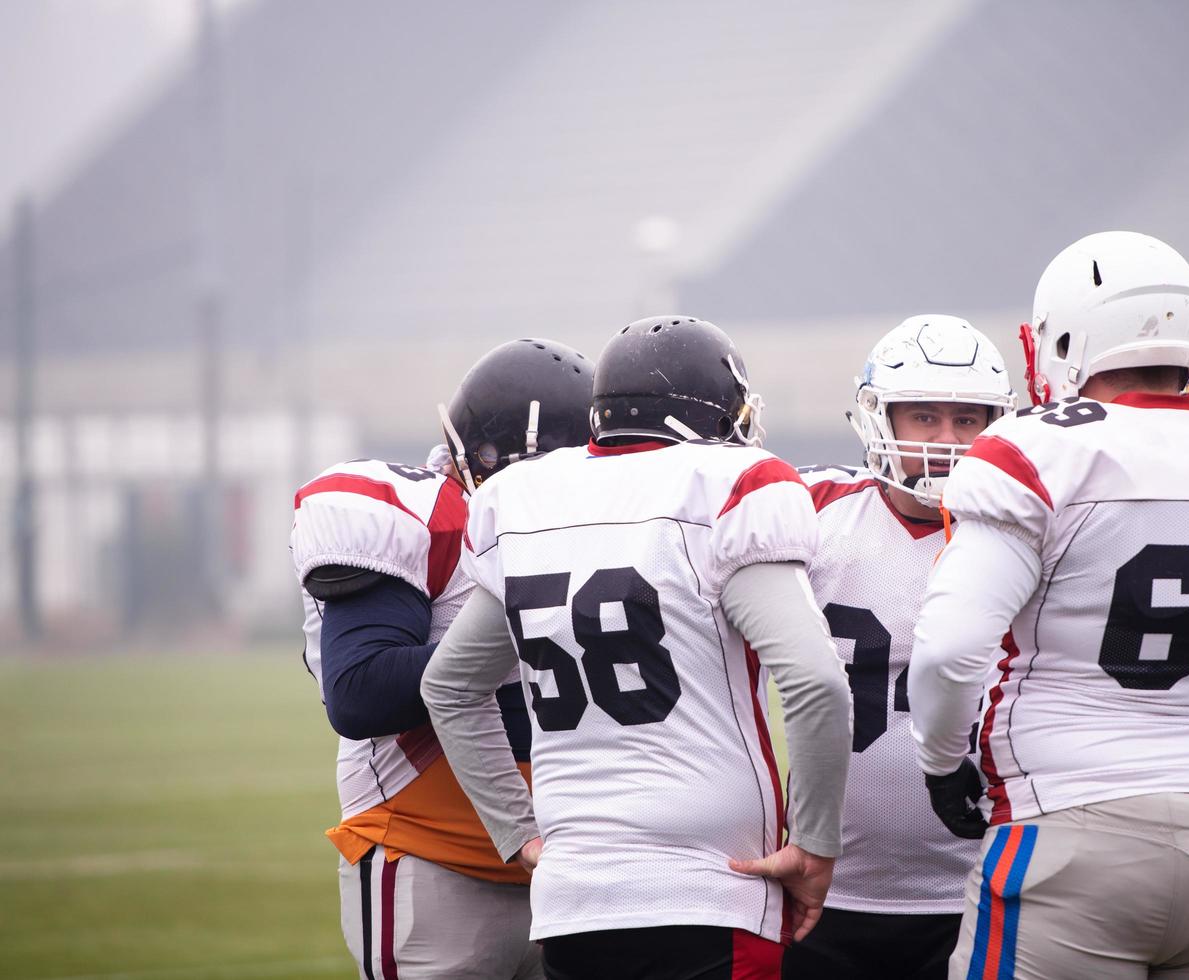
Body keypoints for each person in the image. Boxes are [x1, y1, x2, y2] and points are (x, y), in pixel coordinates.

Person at [909, 231, 1189, 979]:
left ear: (1067, 339)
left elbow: (949, 649)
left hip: (1079, 829)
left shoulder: (1038, 450)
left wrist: (944, 763)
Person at [420, 315, 853, 980]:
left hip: (574, 903)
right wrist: (816, 844)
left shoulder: (525, 496)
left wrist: (517, 833)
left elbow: (448, 685)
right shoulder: (724, 488)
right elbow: (815, 680)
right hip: (710, 890)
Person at [290, 338, 593, 980]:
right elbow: (361, 689)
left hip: (573, 868)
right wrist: (532, 634)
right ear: (486, 459)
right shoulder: (422, 516)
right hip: (432, 860)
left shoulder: (611, 528)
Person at [785, 314, 1014, 980]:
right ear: (878, 419)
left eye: (969, 420)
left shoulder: (1027, 530)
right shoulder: (810, 513)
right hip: (825, 885)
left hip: (982, 888)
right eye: (924, 417)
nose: (948, 441)